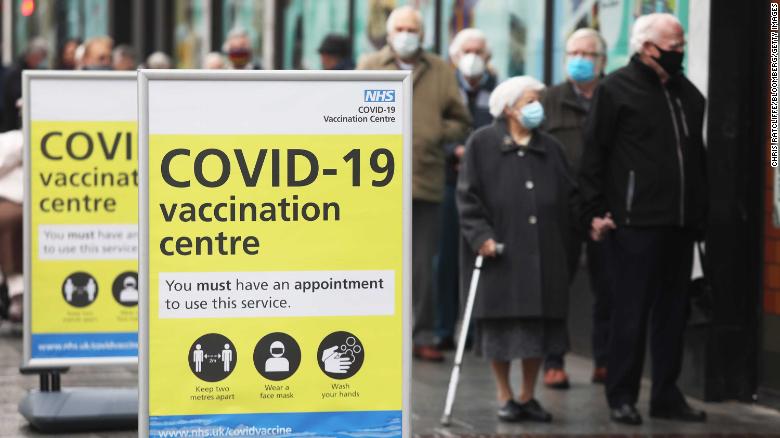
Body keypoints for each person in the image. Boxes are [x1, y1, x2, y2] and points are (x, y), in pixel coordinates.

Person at [580, 13, 707, 425]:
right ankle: (622, 395)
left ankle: (667, 395)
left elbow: (697, 160)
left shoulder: (689, 95)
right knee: (629, 312)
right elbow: (593, 154)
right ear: (647, 48)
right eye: (673, 48)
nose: (680, 53)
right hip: (633, 223)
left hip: (680, 222)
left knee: (674, 314)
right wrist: (595, 211)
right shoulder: (616, 89)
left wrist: (700, 217)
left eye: (683, 46)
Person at [458, 76, 577, 423]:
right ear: (508, 108)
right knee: (502, 330)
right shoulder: (482, 143)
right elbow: (467, 197)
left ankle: (527, 395)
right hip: (500, 252)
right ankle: (504, 393)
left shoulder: (551, 147)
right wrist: (481, 235)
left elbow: (569, 195)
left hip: (543, 252)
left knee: (537, 331)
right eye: (529, 101)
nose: (537, 106)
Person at [358, 5, 471, 362]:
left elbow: (461, 119)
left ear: (422, 34)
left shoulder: (439, 70)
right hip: (375, 186)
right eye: (400, 28)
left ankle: (422, 335)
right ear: (389, 34)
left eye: (412, 28)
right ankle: (374, 335)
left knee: (423, 267)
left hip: (425, 181)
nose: (407, 34)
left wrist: (437, 132)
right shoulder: (370, 66)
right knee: (374, 263)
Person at [540, 27, 609, 390]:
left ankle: (606, 361)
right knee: (557, 287)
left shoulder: (613, 97)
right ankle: (554, 361)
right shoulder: (548, 99)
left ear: (602, 61)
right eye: (574, 54)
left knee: (608, 287)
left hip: (602, 210)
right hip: (560, 211)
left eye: (588, 55)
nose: (580, 61)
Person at [434, 28, 497, 350]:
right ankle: (443, 328)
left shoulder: (497, 92)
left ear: (487, 57)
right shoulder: (444, 89)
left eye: (478, 51)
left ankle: (474, 331)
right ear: (455, 57)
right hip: (447, 182)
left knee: (478, 259)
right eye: (466, 51)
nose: (472, 58)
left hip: (484, 189)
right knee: (444, 261)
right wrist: (454, 152)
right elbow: (432, 128)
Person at [0, 130, 23, 322]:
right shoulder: (11, 141)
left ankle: (18, 294)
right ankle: (17, 294)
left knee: (7, 218)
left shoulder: (20, 139)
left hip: (21, 204)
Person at [2, 37, 47, 131]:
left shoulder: (36, 70)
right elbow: (16, 97)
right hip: (12, 124)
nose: (39, 61)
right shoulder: (15, 72)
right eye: (38, 58)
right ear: (31, 55)